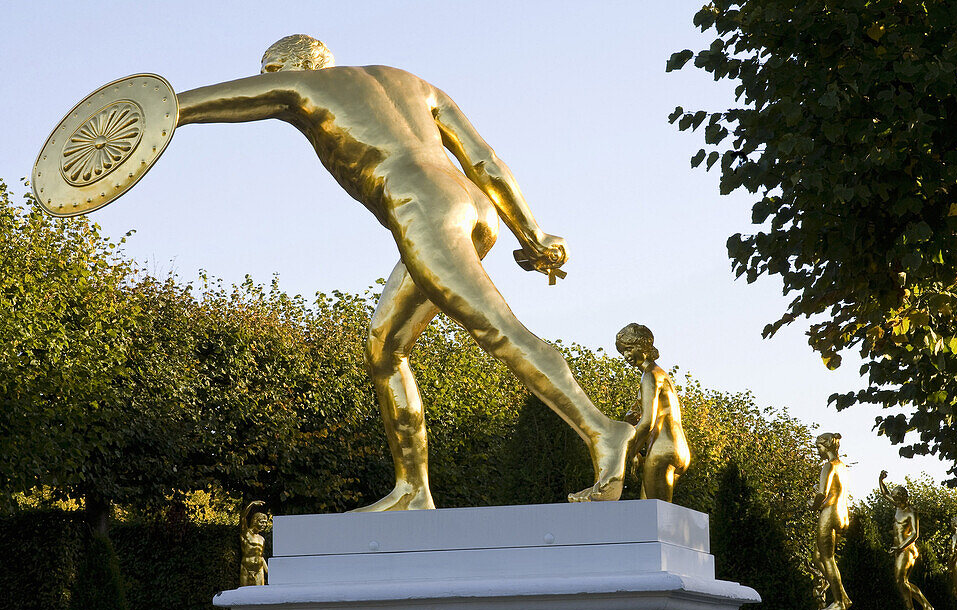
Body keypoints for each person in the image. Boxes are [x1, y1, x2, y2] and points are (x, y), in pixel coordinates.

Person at [175, 35, 633, 510]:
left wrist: (168, 110)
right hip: (472, 205)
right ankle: (413, 489)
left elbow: (222, 99)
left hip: (423, 206)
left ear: (296, 66)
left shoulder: (304, 87)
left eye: (272, 71)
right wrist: (532, 233)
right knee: (384, 346)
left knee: (497, 328)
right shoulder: (411, 82)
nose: (271, 81)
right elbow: (484, 159)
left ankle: (602, 430)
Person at [577, 324, 689, 503]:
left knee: (654, 517)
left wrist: (629, 453)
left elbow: (647, 422)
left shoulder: (650, 375)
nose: (626, 356)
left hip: (662, 449)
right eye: (622, 352)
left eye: (629, 349)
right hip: (676, 448)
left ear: (643, 346)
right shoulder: (660, 374)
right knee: (654, 513)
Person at [878, 471, 934, 610]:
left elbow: (914, 534)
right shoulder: (898, 507)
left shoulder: (911, 512)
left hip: (907, 550)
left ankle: (916, 609)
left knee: (900, 581)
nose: (894, 500)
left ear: (903, 497)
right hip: (899, 550)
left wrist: (900, 547)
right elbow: (884, 494)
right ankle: (918, 609)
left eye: (897, 498)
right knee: (903, 582)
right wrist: (881, 480)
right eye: (894, 498)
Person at [810, 432, 852, 610]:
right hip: (842, 514)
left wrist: (813, 506)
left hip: (829, 513)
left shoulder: (828, 466)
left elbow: (822, 493)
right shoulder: (843, 466)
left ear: (826, 447)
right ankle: (843, 596)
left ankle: (839, 601)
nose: (817, 451)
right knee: (817, 556)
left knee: (827, 558)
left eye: (818, 447)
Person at [236, 501, 270, 610]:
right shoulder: (246, 533)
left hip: (259, 570)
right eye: (261, 522)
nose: (263, 525)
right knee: (245, 600)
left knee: (258, 601)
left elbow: (261, 557)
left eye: (265, 523)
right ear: (254, 521)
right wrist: (251, 504)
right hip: (245, 568)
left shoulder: (262, 539)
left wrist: (270, 572)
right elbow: (243, 517)